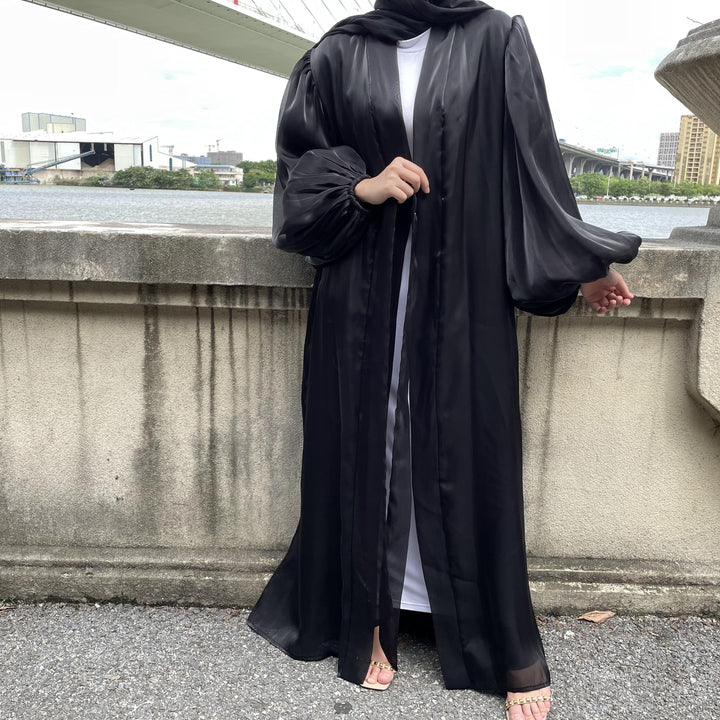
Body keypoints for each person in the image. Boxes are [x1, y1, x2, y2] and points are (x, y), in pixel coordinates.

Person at [247, 1, 641, 718]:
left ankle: (498, 637)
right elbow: (299, 171)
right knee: (366, 442)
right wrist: (361, 187)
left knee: (469, 449)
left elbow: (529, 162)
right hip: (360, 292)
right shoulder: (337, 53)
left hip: (462, 291)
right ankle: (367, 617)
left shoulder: (495, 38)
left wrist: (584, 263)